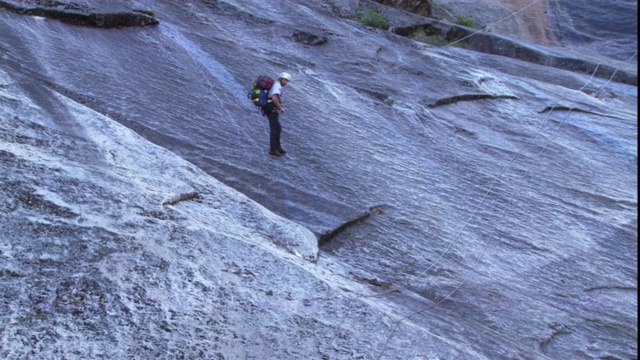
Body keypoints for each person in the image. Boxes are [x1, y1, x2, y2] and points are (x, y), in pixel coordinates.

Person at [263, 72, 292, 156]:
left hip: (270, 106)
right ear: (281, 78)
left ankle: (278, 148)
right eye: (285, 80)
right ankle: (273, 149)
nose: (286, 82)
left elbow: (276, 97)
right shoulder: (277, 86)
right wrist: (280, 108)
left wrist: (280, 104)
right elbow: (274, 98)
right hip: (271, 107)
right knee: (274, 128)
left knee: (277, 127)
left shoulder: (276, 84)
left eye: (287, 81)